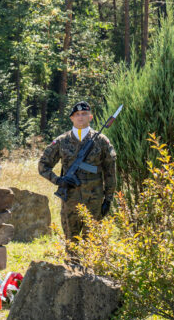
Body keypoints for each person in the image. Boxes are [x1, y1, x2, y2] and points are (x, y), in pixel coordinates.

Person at [38, 101, 117, 243]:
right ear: (71, 118)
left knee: (92, 244)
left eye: (84, 114)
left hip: (94, 200)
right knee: (71, 242)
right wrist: (58, 180)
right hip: (70, 200)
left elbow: (110, 171)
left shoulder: (101, 141)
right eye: (77, 114)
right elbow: (43, 165)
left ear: (90, 117)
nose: (80, 117)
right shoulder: (62, 141)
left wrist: (108, 199)